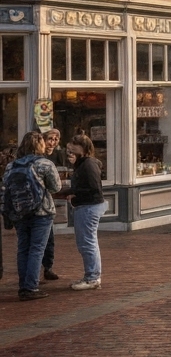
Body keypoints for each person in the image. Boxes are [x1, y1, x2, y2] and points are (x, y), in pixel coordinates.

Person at [5, 132, 60, 300]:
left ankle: (23, 286)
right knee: (37, 249)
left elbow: (6, 188)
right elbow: (56, 187)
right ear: (40, 145)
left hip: (19, 212)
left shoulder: (12, 166)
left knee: (23, 248)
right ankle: (30, 287)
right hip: (42, 212)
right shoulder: (45, 164)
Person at [56, 134, 104, 290]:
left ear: (83, 148)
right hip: (86, 206)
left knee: (87, 242)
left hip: (88, 206)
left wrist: (72, 193)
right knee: (86, 242)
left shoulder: (88, 164)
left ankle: (92, 277)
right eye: (70, 144)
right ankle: (91, 276)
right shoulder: (83, 163)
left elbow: (93, 189)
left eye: (74, 145)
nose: (70, 148)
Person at [40, 128, 63, 282]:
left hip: (48, 202)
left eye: (55, 139)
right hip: (41, 204)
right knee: (41, 240)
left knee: (49, 239)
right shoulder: (40, 158)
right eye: (50, 139)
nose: (52, 143)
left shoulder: (57, 155)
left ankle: (48, 267)